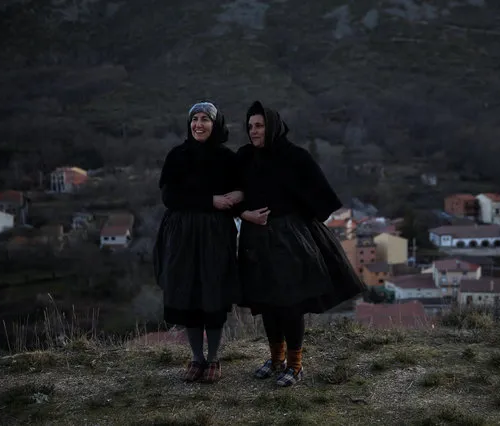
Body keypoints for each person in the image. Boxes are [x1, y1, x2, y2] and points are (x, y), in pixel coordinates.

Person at [236, 101, 366, 387]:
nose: (253, 131)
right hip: (255, 240)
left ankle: (295, 365)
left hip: (290, 241)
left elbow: (323, 199)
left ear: (272, 126)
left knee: (290, 304)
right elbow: (233, 194)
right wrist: (244, 214)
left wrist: (294, 217)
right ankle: (276, 360)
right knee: (267, 302)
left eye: (259, 125)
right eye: (250, 127)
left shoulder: (295, 157)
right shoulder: (244, 157)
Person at [153, 101, 243, 384]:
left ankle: (214, 358)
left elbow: (243, 188)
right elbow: (169, 197)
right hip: (181, 234)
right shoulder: (177, 156)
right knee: (187, 293)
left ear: (216, 125)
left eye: (205, 119)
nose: (199, 124)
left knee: (213, 294)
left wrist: (237, 197)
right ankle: (196, 357)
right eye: (195, 119)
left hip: (215, 234)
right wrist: (210, 200)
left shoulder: (227, 158)